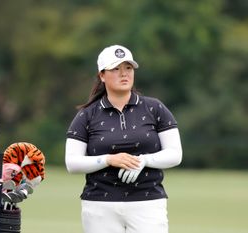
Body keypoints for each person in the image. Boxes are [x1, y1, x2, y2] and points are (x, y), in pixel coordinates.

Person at [65, 45, 182, 233]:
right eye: (116, 69)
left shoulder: (154, 108)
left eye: (128, 68)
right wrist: (109, 160)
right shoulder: (87, 115)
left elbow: (175, 154)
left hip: (148, 202)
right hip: (99, 205)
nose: (124, 74)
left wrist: (144, 160)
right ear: (102, 75)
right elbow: (72, 163)